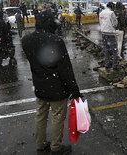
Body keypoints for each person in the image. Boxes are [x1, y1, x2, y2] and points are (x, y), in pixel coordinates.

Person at [21, 10, 82, 155]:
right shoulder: (55, 40)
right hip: (57, 88)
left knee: (40, 116)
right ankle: (56, 147)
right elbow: (65, 69)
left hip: (39, 86)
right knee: (57, 117)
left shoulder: (26, 40)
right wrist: (75, 90)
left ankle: (41, 146)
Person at [99, 2, 119, 70]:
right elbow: (115, 23)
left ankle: (107, 64)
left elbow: (100, 22)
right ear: (112, 7)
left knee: (106, 49)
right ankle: (115, 65)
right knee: (114, 50)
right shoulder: (111, 13)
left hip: (103, 33)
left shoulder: (101, 13)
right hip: (110, 33)